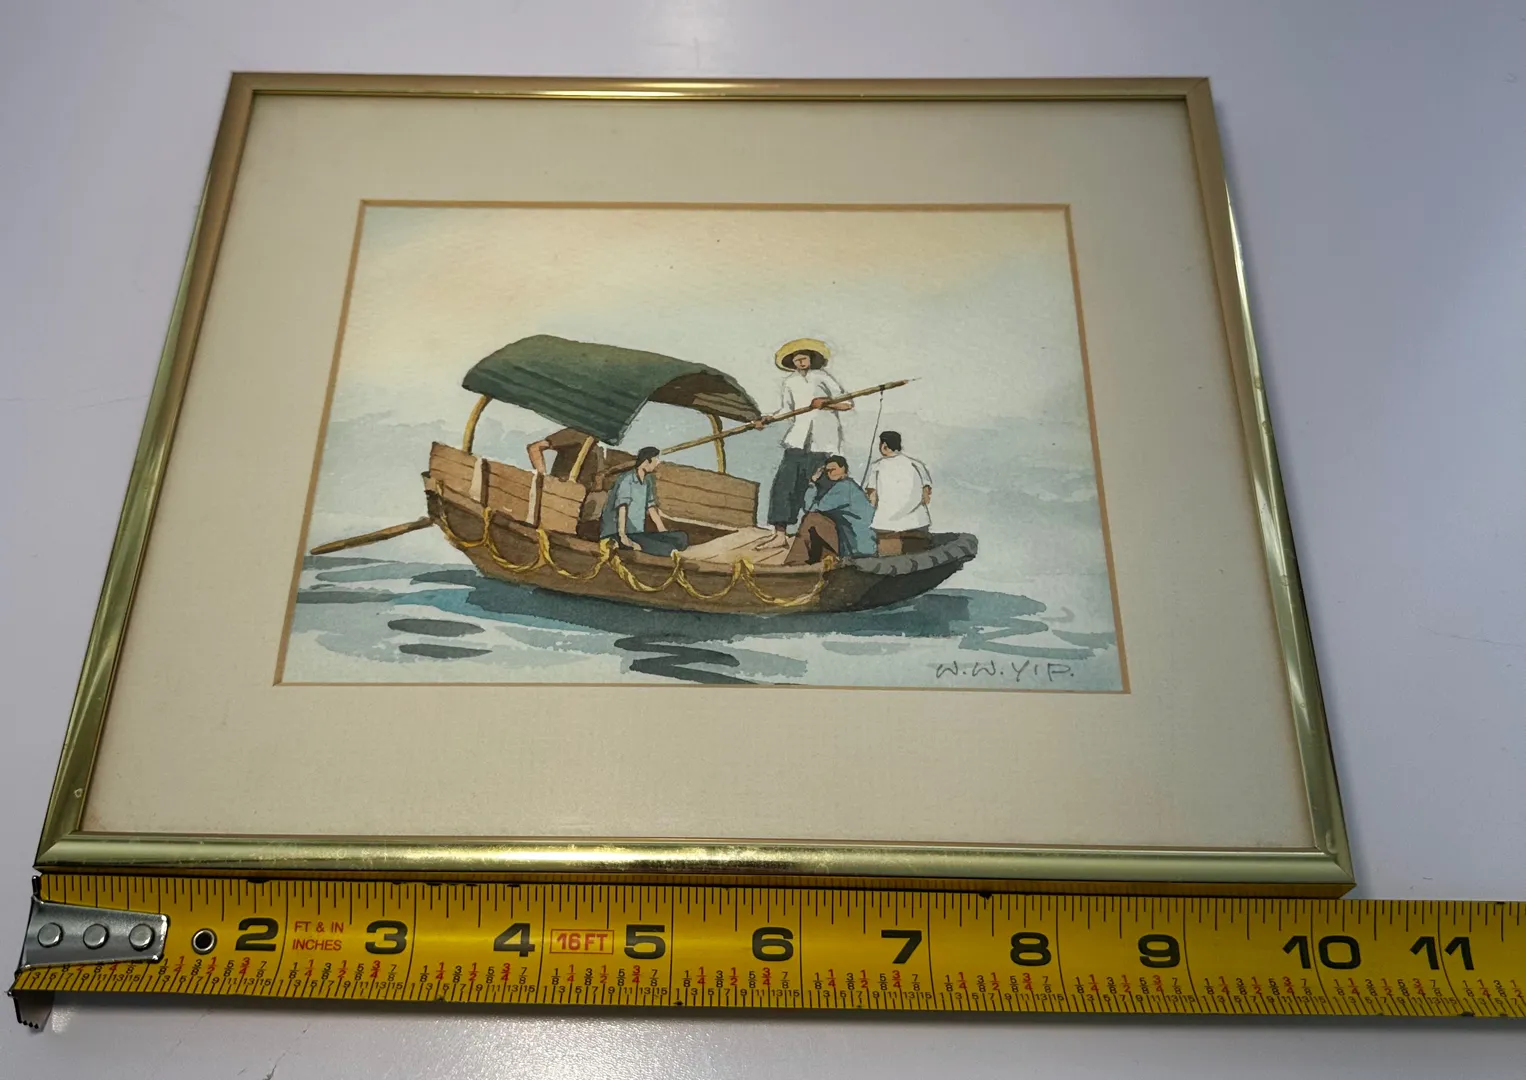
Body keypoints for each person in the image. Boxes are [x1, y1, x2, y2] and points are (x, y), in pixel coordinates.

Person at [753, 338, 853, 536]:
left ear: (810, 359)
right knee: (785, 485)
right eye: (796, 359)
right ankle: (780, 534)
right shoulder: (790, 382)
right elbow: (786, 410)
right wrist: (768, 418)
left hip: (823, 443)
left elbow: (847, 403)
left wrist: (826, 403)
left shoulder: (822, 377)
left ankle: (825, 534)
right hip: (798, 441)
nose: (800, 362)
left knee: (823, 486)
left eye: (804, 358)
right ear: (792, 362)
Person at [786, 456, 878, 565]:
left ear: (843, 468)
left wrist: (812, 483)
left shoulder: (843, 488)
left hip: (855, 546)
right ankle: (809, 562)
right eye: (827, 471)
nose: (830, 473)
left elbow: (810, 507)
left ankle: (795, 562)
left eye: (833, 469)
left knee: (811, 519)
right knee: (819, 520)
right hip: (863, 543)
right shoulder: (852, 486)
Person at [599, 446, 689, 557]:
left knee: (681, 538)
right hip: (618, 533)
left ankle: (640, 544)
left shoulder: (647, 480)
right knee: (666, 548)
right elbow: (622, 507)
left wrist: (663, 531)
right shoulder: (627, 480)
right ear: (646, 462)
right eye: (655, 460)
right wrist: (622, 535)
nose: (657, 463)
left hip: (638, 533)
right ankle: (632, 545)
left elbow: (651, 507)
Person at [863, 430, 934, 554]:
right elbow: (926, 496)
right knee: (918, 557)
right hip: (917, 522)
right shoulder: (916, 464)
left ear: (884, 445)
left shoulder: (876, 467)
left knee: (889, 558)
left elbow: (872, 497)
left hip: (886, 525)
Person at [526, 427, 603, 487]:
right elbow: (534, 448)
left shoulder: (602, 448)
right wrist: (543, 477)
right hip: (558, 493)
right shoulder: (575, 434)